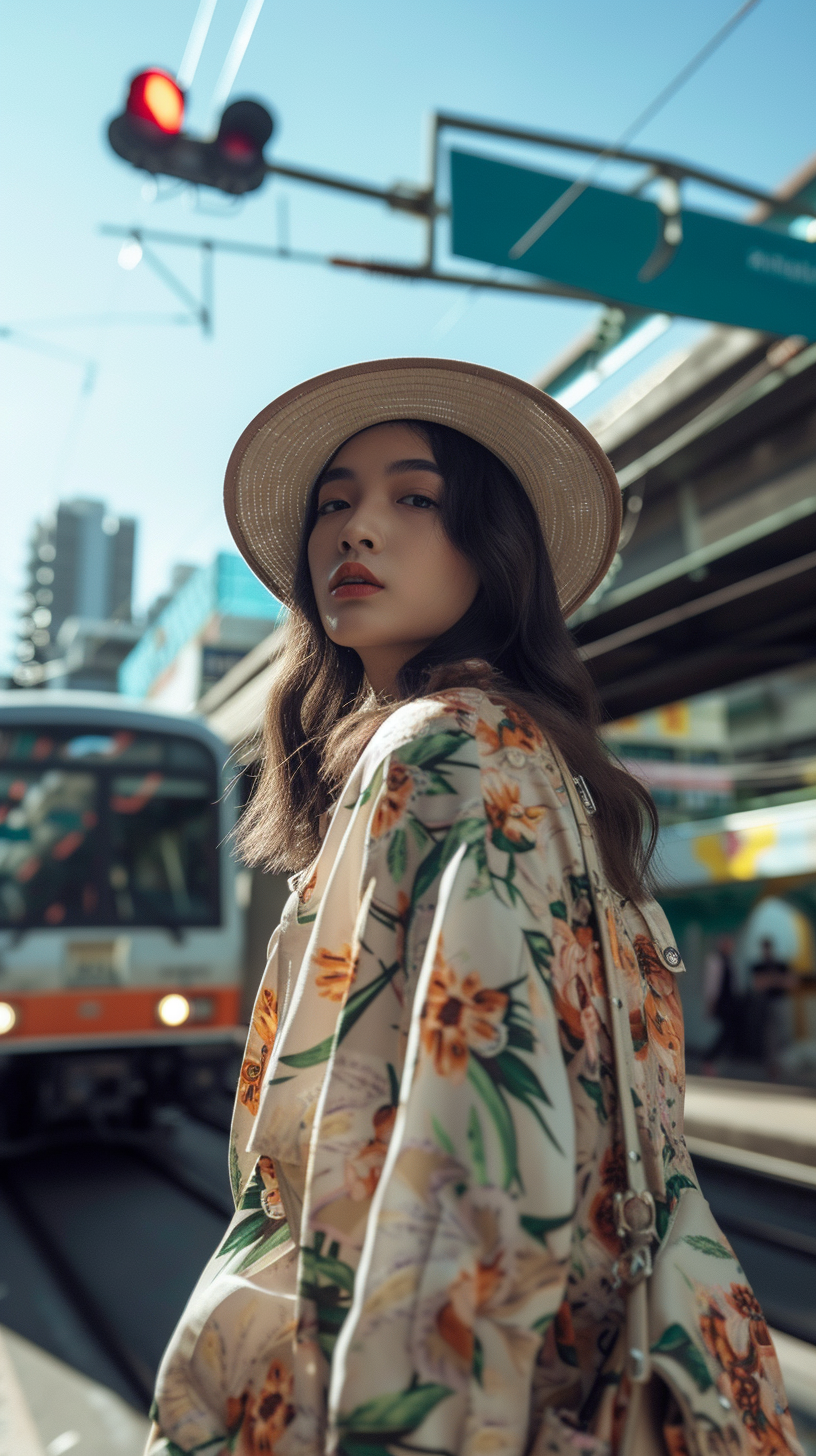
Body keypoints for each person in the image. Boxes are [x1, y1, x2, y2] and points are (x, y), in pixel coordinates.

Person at [146, 361, 801, 1456]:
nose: (356, 529)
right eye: (334, 502)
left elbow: (473, 1182)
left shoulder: (443, 747)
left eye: (415, 497)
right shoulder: (544, 764)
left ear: (493, 552)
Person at [751, 935, 796, 1078]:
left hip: (779, 1002)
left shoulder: (780, 965)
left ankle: (779, 1064)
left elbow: (791, 982)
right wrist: (777, 980)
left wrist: (770, 980)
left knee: (783, 1032)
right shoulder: (759, 965)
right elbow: (758, 985)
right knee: (769, 1035)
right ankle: (771, 1065)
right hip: (766, 1003)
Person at [702, 933, 741, 1071]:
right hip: (722, 1003)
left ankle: (710, 1059)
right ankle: (708, 1058)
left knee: (729, 1031)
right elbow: (712, 984)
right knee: (727, 1031)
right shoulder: (715, 961)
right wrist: (711, 1003)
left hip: (729, 1003)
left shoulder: (728, 960)